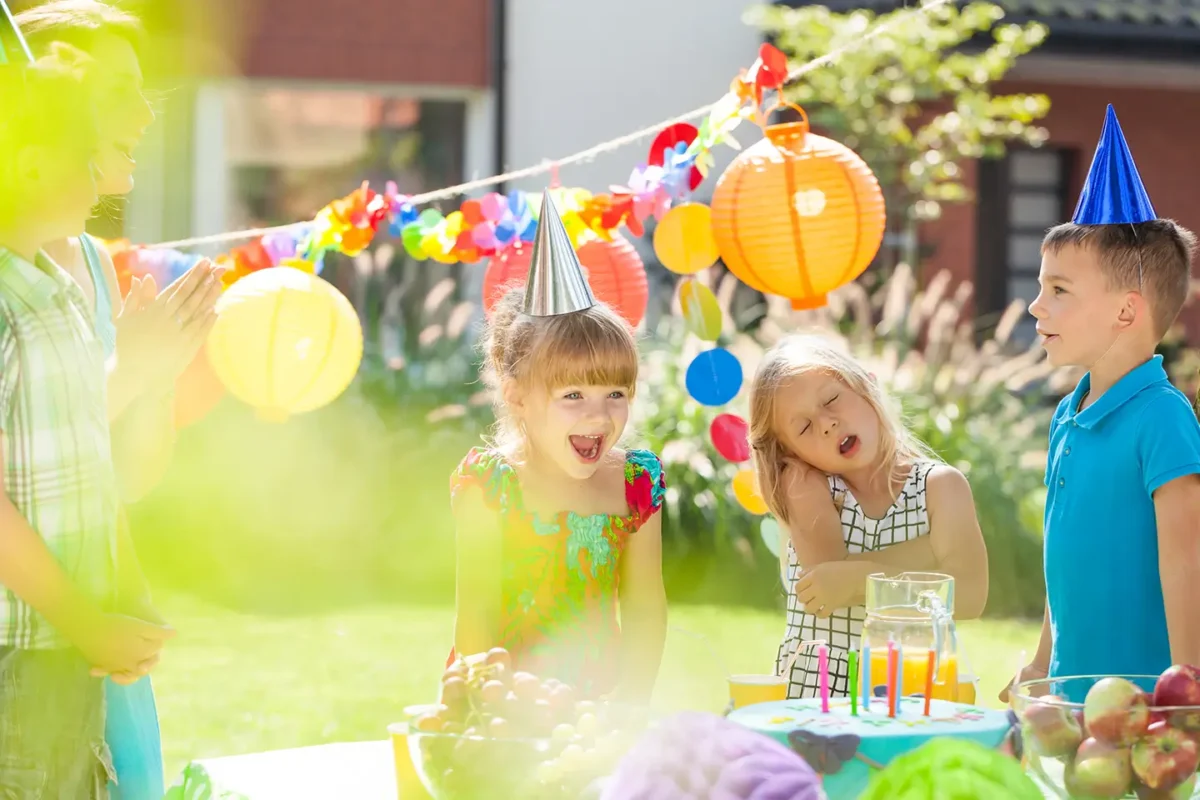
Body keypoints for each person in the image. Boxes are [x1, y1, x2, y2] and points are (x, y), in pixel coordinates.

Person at [17, 4, 222, 798]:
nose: (144, 115)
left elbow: (126, 477)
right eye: (116, 93)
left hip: (102, 639)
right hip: (30, 639)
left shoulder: (98, 270)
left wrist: (158, 373)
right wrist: (130, 373)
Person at [0, 40, 173, 799]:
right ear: (31, 163)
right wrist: (83, 620)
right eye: (83, 156)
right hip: (18, 657)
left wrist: (118, 604)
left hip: (66, 653)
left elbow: (89, 463)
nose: (101, 175)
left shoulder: (58, 289)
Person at [1004, 105, 1200, 703]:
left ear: (1126, 311)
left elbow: (1187, 562)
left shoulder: (1163, 418)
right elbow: (1062, 558)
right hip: (1071, 701)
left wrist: (1187, 691)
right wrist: (1040, 664)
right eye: (1040, 287)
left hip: (1143, 709)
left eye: (1058, 290)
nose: (1036, 306)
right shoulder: (1068, 415)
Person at [448, 195, 667, 702]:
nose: (599, 414)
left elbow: (644, 607)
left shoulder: (637, 482)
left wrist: (631, 703)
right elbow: (476, 620)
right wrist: (495, 711)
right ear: (517, 394)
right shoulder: (490, 484)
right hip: (501, 701)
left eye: (616, 394)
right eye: (573, 396)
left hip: (600, 703)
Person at [748, 334, 989, 699]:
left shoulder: (940, 487)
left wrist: (860, 576)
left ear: (866, 387)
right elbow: (829, 582)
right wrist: (929, 552)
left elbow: (970, 596)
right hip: (820, 696)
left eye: (831, 399)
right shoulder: (804, 483)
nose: (826, 423)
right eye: (803, 428)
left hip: (913, 690)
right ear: (789, 451)